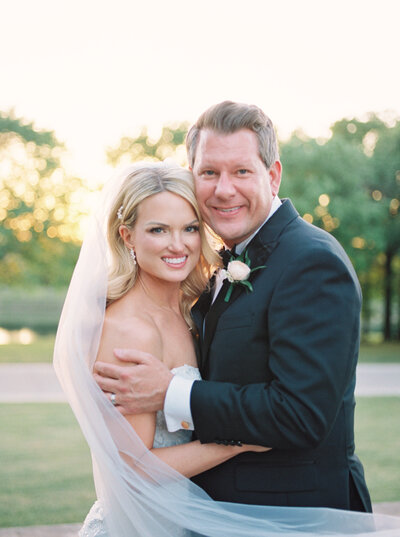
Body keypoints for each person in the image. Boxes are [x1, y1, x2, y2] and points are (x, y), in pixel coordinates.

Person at [94, 101, 372, 512]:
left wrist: (170, 391)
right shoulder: (218, 270)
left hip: (294, 515)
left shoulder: (311, 261)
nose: (224, 189)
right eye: (209, 172)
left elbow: (302, 415)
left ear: (273, 176)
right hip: (217, 511)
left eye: (241, 171)